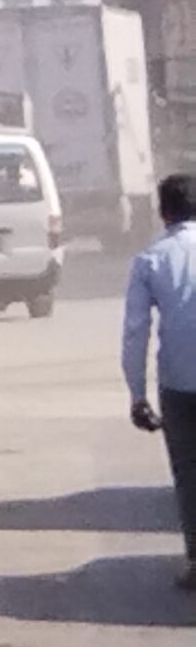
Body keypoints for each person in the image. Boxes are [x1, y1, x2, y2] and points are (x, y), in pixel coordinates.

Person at [125, 173, 196, 592]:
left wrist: (137, 395)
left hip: (180, 385)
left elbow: (136, 331)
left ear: (163, 212)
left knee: (188, 472)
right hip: (179, 382)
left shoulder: (150, 259)